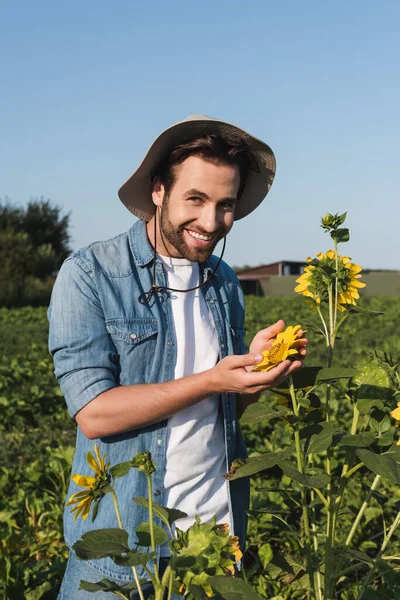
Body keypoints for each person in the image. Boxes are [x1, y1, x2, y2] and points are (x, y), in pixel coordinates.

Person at [48, 115, 307, 599]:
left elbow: (219, 410)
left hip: (213, 545)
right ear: (158, 191)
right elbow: (94, 413)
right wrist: (212, 380)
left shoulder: (223, 281)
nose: (211, 222)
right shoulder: (90, 274)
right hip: (123, 554)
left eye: (225, 205)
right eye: (196, 199)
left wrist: (251, 377)